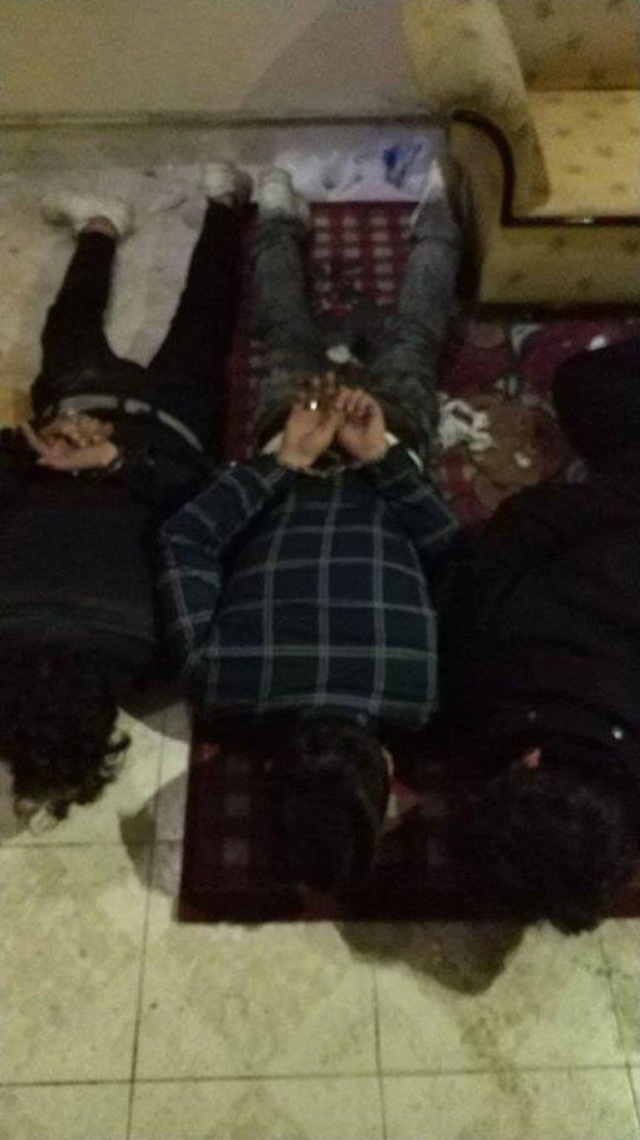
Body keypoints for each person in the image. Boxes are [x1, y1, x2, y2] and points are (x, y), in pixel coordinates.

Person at [159, 162, 463, 890]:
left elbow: (453, 553)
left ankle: (438, 209)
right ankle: (275, 210)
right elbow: (187, 539)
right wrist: (291, 459)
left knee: (414, 337)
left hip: (371, 451)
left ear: (386, 771)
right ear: (274, 773)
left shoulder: (427, 695)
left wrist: (379, 459)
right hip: (304, 451)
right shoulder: (217, 686)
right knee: (287, 336)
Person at [0, 163, 251, 822]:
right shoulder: (153, 657)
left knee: (201, 323)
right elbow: (203, 519)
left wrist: (47, 446)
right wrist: (55, 451)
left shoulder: (157, 663)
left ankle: (224, 206)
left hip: (156, 429)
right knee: (75, 326)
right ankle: (101, 227)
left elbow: (203, 512)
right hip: (119, 421)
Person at [445, 335, 640, 933]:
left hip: (617, 501)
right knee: (584, 385)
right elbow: (521, 530)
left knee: (585, 386)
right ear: (526, 763)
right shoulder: (475, 692)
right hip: (617, 500)